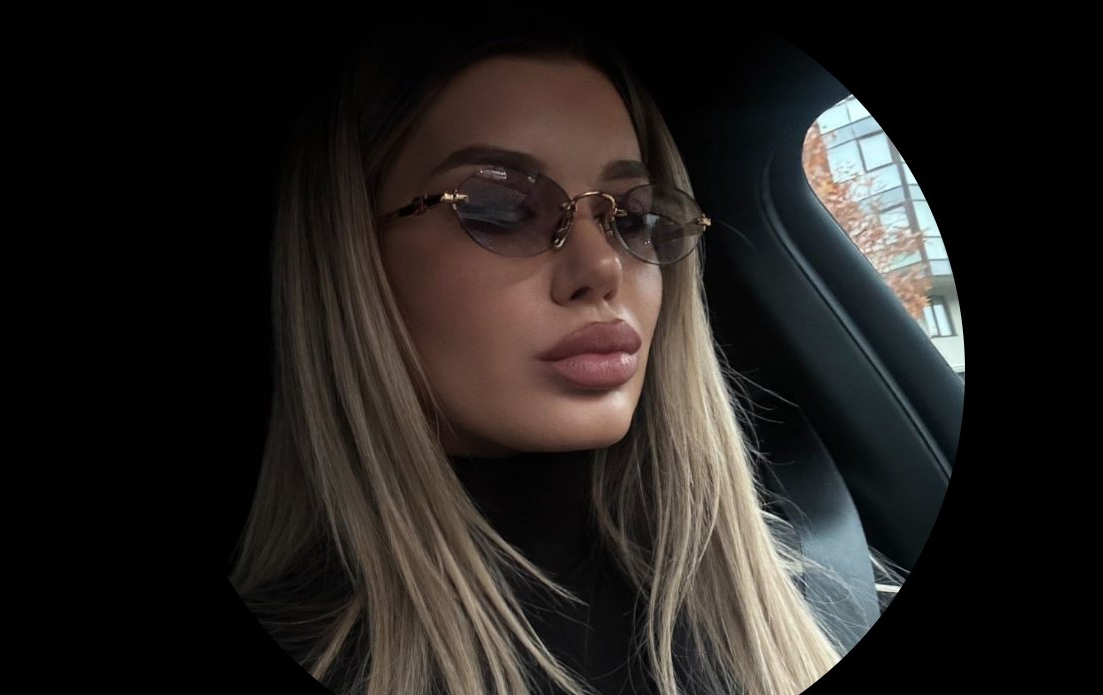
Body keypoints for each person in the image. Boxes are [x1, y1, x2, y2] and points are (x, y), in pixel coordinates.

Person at [227, 11, 906, 695]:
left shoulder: (801, 582)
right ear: (352, 261)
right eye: (498, 209)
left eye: (633, 218)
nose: (604, 266)